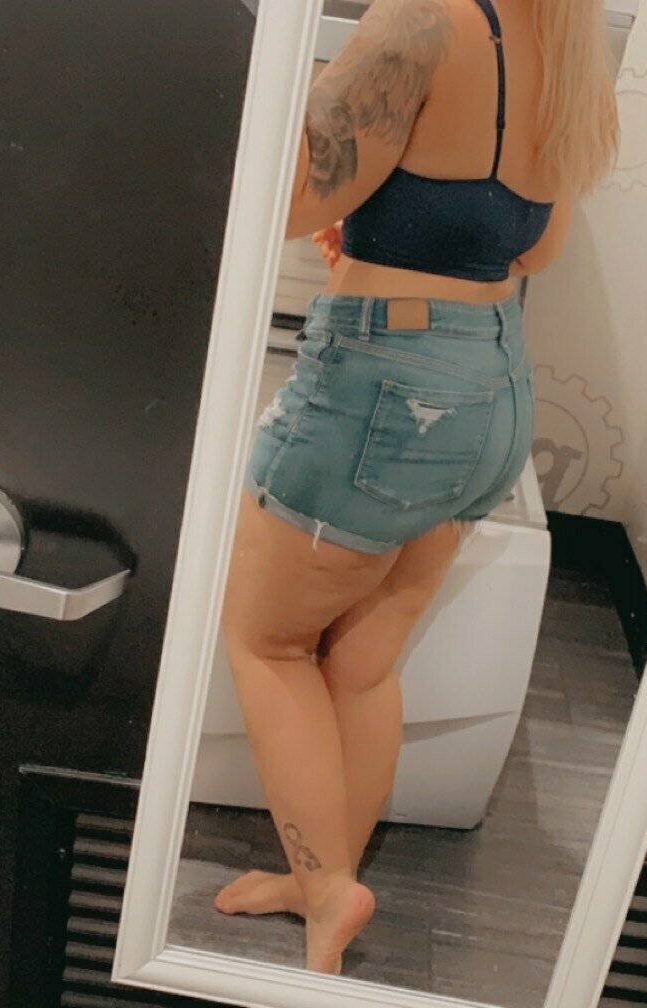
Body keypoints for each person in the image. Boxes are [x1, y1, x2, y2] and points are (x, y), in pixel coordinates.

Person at [215, 0, 618, 974]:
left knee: (266, 642)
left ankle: (323, 887)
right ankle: (327, 888)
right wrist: (389, 228)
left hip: (389, 388)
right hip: (492, 383)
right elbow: (533, 247)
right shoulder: (564, 42)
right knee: (362, 662)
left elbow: (281, 198)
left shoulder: (421, 20)